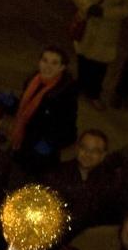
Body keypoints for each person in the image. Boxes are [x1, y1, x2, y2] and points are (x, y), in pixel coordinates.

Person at [11, 46, 79, 181]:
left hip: (41, 156)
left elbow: (69, 130)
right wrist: (11, 103)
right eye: (45, 60)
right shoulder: (33, 81)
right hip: (23, 142)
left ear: (62, 67)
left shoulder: (65, 94)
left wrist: (51, 143)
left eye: (54, 63)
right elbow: (26, 110)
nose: (48, 66)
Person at [44, 129, 119, 235]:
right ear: (77, 148)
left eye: (95, 151)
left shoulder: (109, 183)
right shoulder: (57, 174)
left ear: (103, 156)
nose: (88, 154)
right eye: (84, 148)